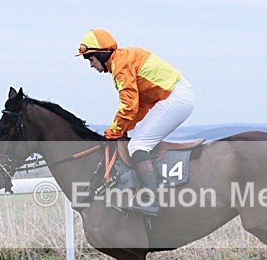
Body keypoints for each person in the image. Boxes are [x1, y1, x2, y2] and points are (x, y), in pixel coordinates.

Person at [76, 29, 195, 216]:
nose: (91, 65)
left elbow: (128, 104)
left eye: (91, 60)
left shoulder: (121, 65)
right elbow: (140, 106)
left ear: (101, 54)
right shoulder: (122, 60)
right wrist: (123, 129)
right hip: (175, 97)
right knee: (137, 139)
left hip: (175, 98)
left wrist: (113, 132)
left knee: (138, 144)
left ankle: (151, 199)